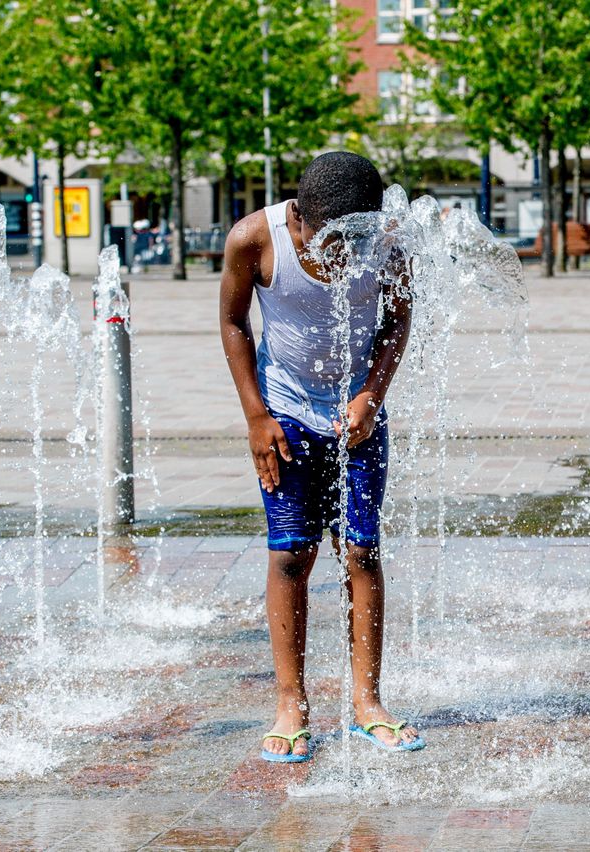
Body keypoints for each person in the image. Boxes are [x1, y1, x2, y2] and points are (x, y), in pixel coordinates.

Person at [219, 151, 422, 762]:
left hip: (356, 418)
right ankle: (291, 705)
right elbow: (233, 322)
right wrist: (256, 416)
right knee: (291, 556)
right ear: (301, 220)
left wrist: (371, 394)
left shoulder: (383, 242)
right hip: (284, 416)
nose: (341, 259)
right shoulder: (255, 239)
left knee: (361, 549)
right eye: (330, 244)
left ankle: (367, 702)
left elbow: (397, 318)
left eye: (351, 245)